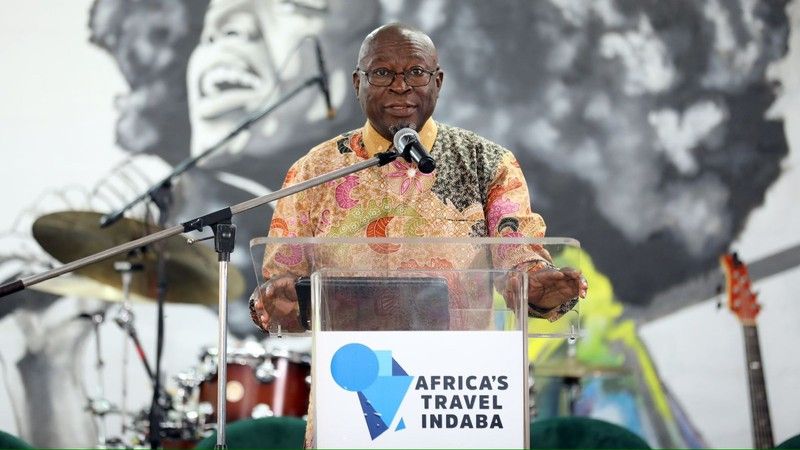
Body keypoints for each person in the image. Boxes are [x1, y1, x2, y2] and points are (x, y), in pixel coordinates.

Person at [250, 22, 588, 333]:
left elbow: (518, 260)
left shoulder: (488, 163)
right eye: (382, 73)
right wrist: (271, 303)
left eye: (416, 72)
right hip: (351, 369)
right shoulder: (314, 171)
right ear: (357, 83)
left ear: (437, 82)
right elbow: (279, 288)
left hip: (455, 373)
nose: (400, 86)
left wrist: (537, 287)